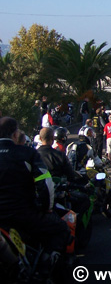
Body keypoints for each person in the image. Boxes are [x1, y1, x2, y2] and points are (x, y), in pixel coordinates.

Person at [0, 117, 70, 275]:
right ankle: (46, 268)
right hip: (24, 214)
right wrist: (47, 208)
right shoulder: (27, 153)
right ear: (16, 134)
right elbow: (45, 184)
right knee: (61, 229)